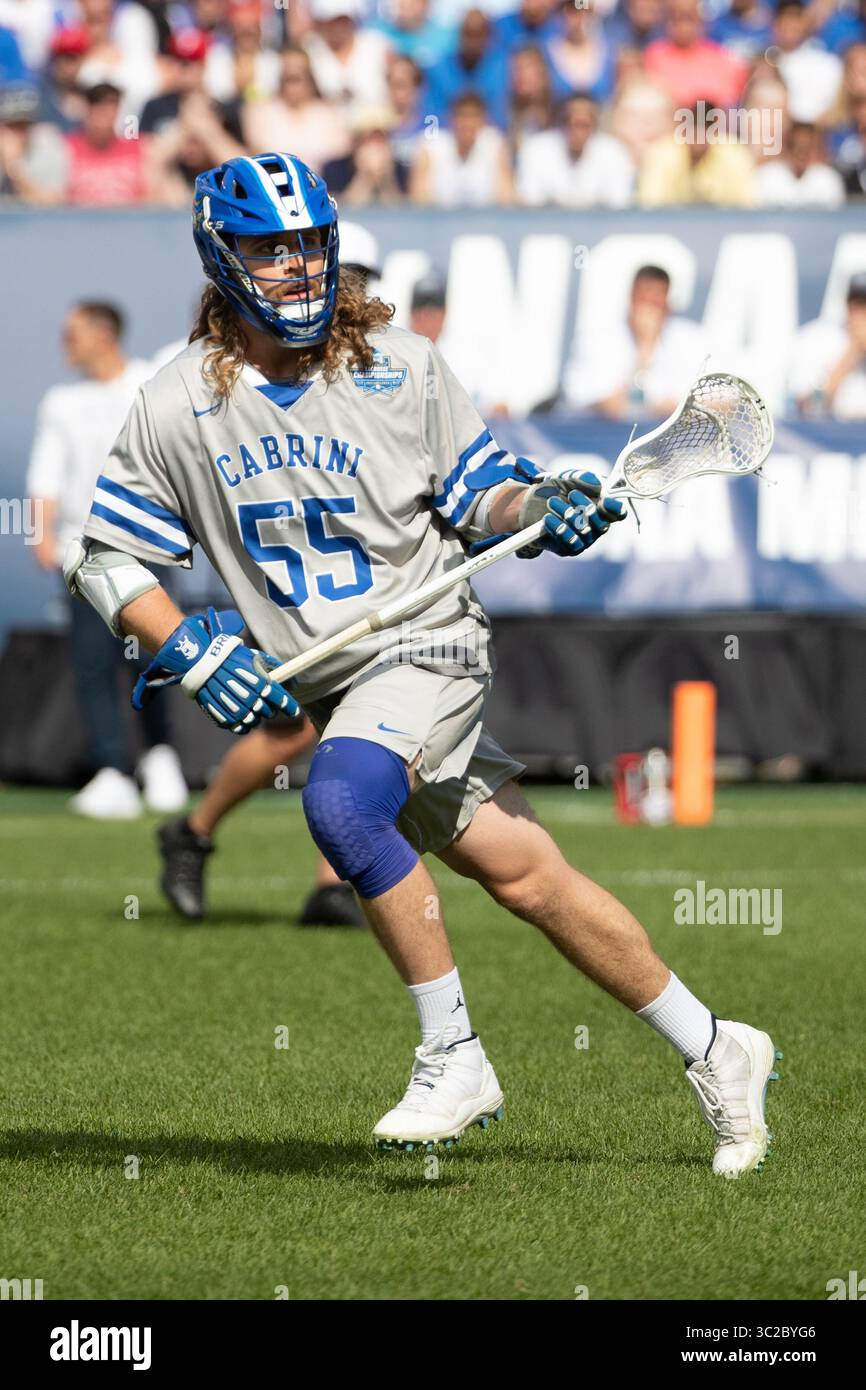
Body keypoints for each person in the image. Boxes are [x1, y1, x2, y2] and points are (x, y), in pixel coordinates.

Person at [63, 151, 779, 1176]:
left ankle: (453, 1054)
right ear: (221, 257)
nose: (298, 266)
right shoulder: (179, 401)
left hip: (430, 643)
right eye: (271, 248)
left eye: (310, 242)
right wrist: (184, 647)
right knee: (529, 877)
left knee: (341, 803)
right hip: (331, 675)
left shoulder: (399, 365)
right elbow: (105, 559)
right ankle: (718, 1047)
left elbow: (484, 497)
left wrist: (539, 507)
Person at [27, 300, 188, 818]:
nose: (64, 343)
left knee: (155, 655)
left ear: (103, 335)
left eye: (71, 333)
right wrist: (41, 537)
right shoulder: (60, 401)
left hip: (145, 543)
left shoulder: (148, 383)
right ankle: (113, 771)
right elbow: (46, 475)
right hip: (83, 553)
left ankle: (162, 760)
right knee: (94, 664)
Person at [562, 263, 705, 418]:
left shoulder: (692, 340)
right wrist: (644, 350)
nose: (649, 310)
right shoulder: (596, 340)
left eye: (656, 302)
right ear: (631, 298)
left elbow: (722, 402)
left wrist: (676, 408)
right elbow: (604, 405)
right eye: (643, 300)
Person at [516, 91, 633, 207]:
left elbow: (619, 206)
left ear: (594, 124)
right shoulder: (536, 150)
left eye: (584, 125)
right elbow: (530, 203)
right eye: (570, 122)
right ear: (560, 123)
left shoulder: (614, 153)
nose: (577, 132)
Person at [409, 91, 513, 206]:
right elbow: (419, 200)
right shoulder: (430, 147)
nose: (468, 123)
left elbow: (506, 198)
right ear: (451, 118)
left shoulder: (495, 145)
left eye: (474, 116)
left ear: (483, 120)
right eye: (462, 115)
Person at [788, 271, 866, 419]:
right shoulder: (817, 339)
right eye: (860, 305)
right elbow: (806, 407)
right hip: (830, 437)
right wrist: (854, 351)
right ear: (850, 307)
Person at [755, 120, 845, 208]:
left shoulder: (828, 179)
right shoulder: (768, 176)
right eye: (796, 147)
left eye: (807, 149)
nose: (801, 155)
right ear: (786, 148)